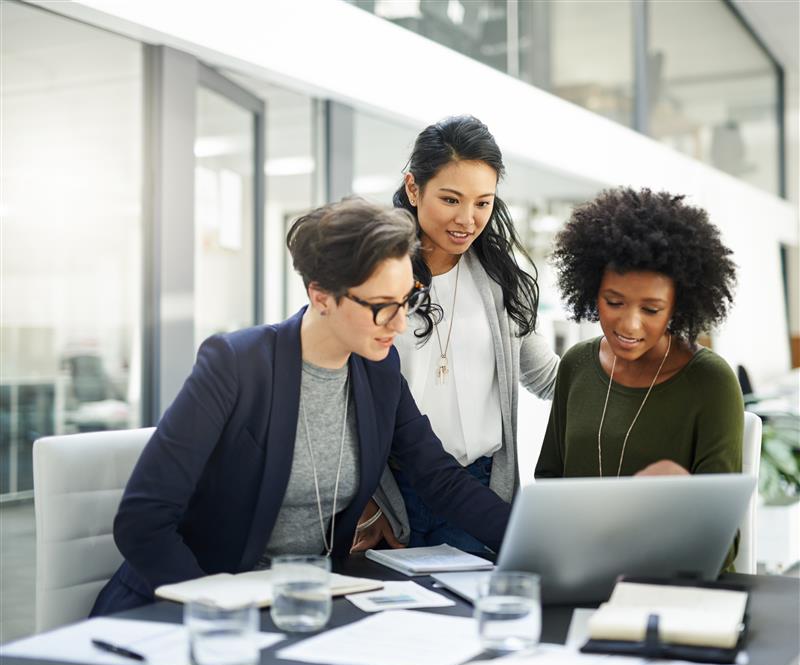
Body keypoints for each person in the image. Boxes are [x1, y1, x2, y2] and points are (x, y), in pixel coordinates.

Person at [90, 198, 512, 616]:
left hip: (303, 604)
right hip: (192, 608)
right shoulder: (236, 365)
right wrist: (219, 612)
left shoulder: (377, 372)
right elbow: (142, 521)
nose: (400, 324)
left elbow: (438, 477)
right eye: (383, 307)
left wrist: (528, 537)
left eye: (407, 302)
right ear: (322, 295)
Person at [352, 116, 559, 553]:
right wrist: (367, 500)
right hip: (393, 495)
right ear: (413, 189)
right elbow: (343, 395)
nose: (467, 219)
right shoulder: (374, 277)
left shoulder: (503, 281)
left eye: (483, 203)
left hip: (481, 491)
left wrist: (632, 366)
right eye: (450, 199)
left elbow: (547, 377)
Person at [535, 187, 742, 568]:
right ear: (590, 290)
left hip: (671, 586)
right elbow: (549, 486)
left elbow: (722, 543)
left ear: (678, 307)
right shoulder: (576, 365)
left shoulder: (711, 383)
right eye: (613, 302)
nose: (629, 324)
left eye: (651, 308)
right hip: (579, 574)